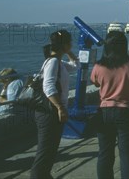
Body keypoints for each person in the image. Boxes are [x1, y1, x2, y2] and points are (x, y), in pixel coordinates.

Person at [90, 31, 129, 179]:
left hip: (104, 112)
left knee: (105, 153)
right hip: (126, 111)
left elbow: (94, 82)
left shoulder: (99, 66)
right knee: (127, 154)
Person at [31, 30, 79, 179]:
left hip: (51, 112)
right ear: (64, 44)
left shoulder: (59, 62)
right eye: (69, 43)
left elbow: (76, 65)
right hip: (49, 112)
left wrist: (68, 52)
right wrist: (60, 107)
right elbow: (48, 87)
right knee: (45, 152)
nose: (71, 45)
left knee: (50, 151)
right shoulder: (52, 62)